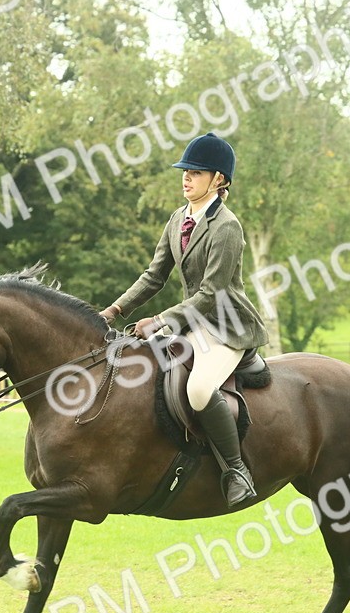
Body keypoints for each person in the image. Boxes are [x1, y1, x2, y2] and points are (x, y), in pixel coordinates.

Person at [98, 132, 269, 507]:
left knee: (198, 389)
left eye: (196, 171)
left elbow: (212, 293)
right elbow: (153, 276)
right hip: (193, 321)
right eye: (185, 171)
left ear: (219, 179)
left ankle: (236, 470)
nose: (186, 177)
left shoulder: (227, 226)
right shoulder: (179, 219)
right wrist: (113, 310)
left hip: (226, 325)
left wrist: (159, 321)